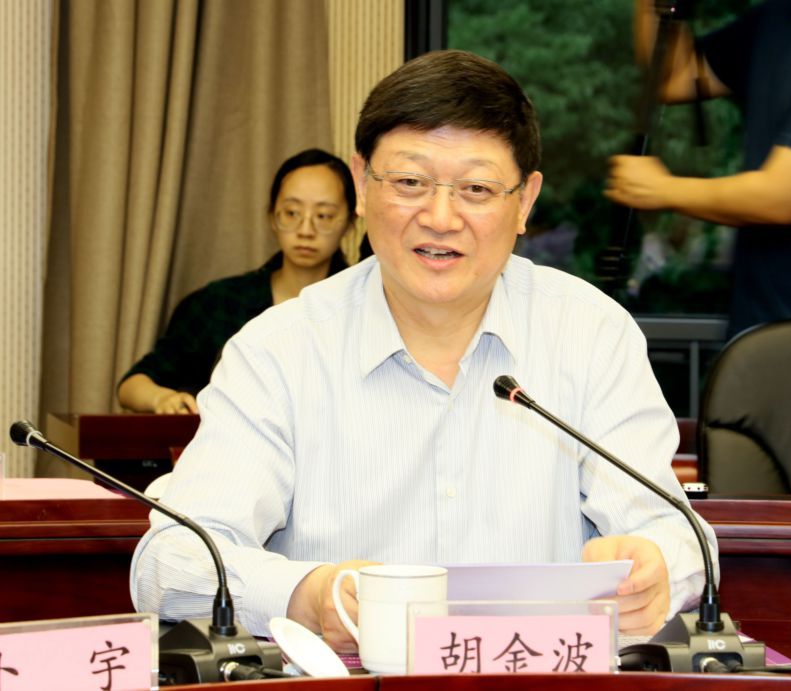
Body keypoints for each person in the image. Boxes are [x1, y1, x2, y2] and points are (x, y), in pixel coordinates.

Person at [130, 50, 717, 650]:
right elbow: (169, 565)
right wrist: (307, 595)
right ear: (362, 184)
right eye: (410, 183)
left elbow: (679, 536)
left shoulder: (591, 334)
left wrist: (655, 571)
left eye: (477, 189)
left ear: (525, 202)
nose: (440, 217)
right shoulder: (277, 350)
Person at [605, 0, 791, 338]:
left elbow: (783, 195)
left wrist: (662, 189)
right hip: (760, 323)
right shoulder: (774, 20)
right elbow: (674, 77)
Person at [117, 148, 356, 414]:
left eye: (324, 216)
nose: (305, 230)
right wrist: (161, 399)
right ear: (272, 217)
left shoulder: (363, 305)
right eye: (291, 213)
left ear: (350, 222)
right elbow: (132, 385)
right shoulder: (220, 303)